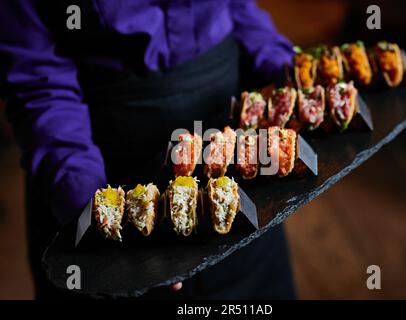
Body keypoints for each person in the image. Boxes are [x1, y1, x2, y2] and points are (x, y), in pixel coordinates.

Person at [0, 0, 296, 299]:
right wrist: (94, 213)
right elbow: (39, 84)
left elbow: (237, 7)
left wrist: (280, 62)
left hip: (234, 161)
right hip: (97, 163)